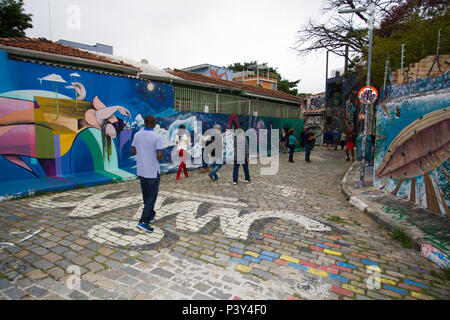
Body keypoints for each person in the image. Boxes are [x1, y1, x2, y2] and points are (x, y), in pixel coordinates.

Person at [131, 115, 164, 233]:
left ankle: (150, 214)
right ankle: (144, 221)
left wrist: (143, 152)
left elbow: (133, 150)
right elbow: (159, 156)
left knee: (146, 195)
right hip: (153, 171)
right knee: (152, 196)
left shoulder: (137, 135)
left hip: (141, 170)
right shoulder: (157, 137)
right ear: (154, 124)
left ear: (144, 123)